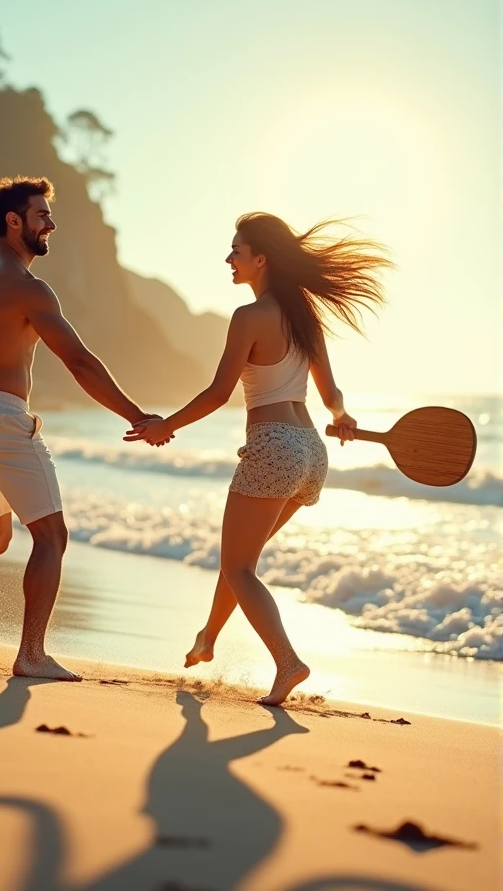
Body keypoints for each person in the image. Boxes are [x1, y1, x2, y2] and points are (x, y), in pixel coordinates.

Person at [0, 175, 167, 679]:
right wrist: (137, 416)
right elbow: (79, 361)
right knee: (51, 537)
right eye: (42, 216)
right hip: (2, 417)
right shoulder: (27, 288)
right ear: (13, 221)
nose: (51, 225)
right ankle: (32, 654)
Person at [125, 212, 391, 705]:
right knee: (240, 562)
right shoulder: (306, 318)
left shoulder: (249, 317)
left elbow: (217, 393)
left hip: (274, 448)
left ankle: (288, 662)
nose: (229, 258)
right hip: (311, 453)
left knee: (238, 566)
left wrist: (166, 426)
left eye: (237, 251)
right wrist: (342, 416)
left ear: (261, 259)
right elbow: (330, 393)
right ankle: (208, 638)